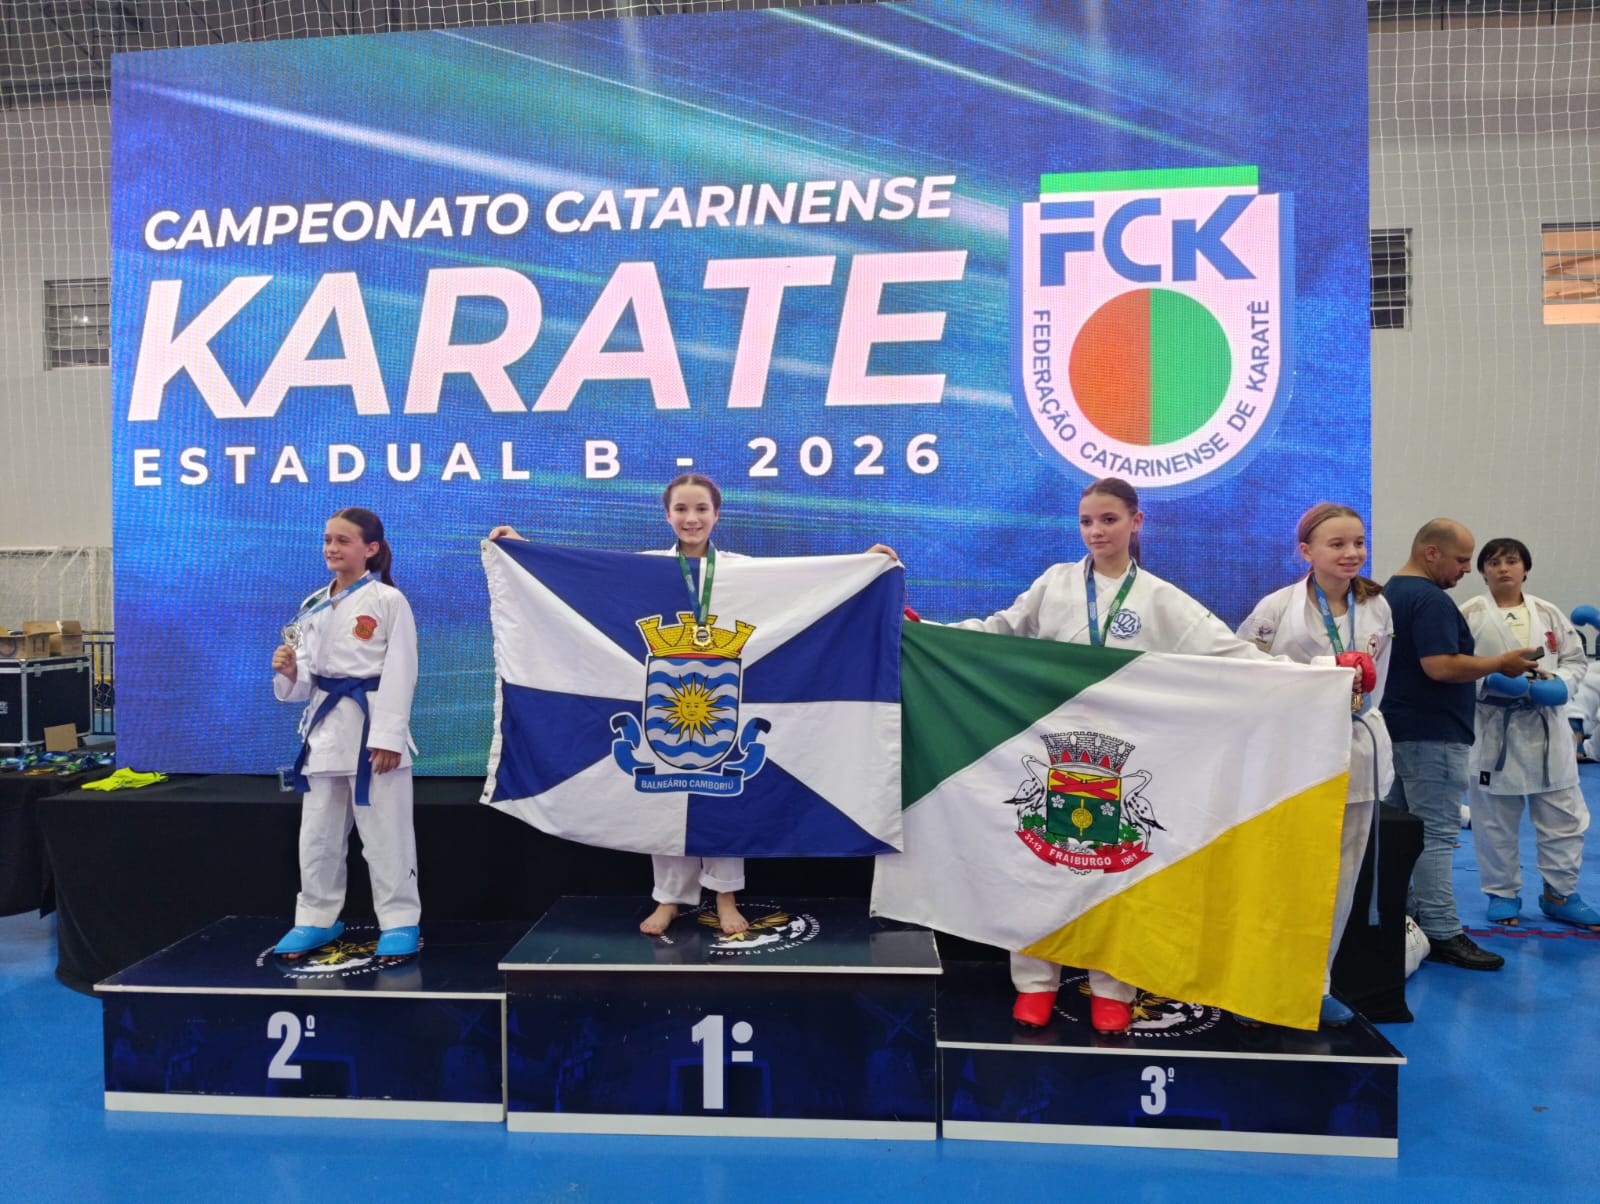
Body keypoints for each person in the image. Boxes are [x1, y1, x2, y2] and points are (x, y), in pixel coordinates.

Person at [947, 477, 1314, 1035]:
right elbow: (998, 630)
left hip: (1125, 760)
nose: (1096, 531)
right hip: (1052, 749)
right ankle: (1036, 983)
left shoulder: (1160, 598)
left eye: (1109, 520)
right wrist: (932, 633)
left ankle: (1113, 988)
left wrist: (1318, 675)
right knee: (1041, 868)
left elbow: (1228, 652)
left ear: (1136, 521)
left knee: (1117, 874)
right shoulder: (1054, 583)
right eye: (1087, 521)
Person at [491, 473, 899, 939]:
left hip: (722, 703)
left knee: (728, 800)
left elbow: (807, 588)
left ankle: (725, 895)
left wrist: (862, 568)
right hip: (664, 702)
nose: (691, 518)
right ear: (667, 515)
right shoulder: (644, 568)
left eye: (701, 509)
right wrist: (523, 552)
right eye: (681, 509)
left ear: (717, 514)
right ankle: (669, 897)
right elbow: (576, 579)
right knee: (660, 802)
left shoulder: (744, 572)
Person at [1237, 503, 1393, 1027]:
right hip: (1292, 759)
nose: (1351, 553)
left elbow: (1379, 683)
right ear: (1306, 551)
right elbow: (1248, 675)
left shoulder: (1378, 608)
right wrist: (1329, 669)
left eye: (1358, 542)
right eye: (1337, 544)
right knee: (1278, 879)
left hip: (1356, 751)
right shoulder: (1276, 608)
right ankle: (1257, 987)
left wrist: (1353, 697)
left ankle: (1313, 986)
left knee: (1338, 884)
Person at [1381, 519, 1540, 971]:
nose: (1467, 569)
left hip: (1398, 729)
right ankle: (1442, 930)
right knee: (1435, 835)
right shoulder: (1430, 599)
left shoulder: (1391, 593)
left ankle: (1404, 916)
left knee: (1401, 832)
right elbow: (1439, 666)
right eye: (1462, 559)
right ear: (1431, 553)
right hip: (1433, 733)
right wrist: (1500, 663)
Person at [271, 507, 421, 967]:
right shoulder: (313, 604)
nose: (331, 548)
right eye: (327, 540)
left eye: (342, 540)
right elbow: (305, 681)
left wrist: (389, 736)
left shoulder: (388, 601)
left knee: (386, 834)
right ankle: (316, 916)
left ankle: (399, 921)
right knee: (317, 835)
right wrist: (291, 672)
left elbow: (402, 670)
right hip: (325, 730)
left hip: (372, 728)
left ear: (370, 549)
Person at [1459, 538, 1597, 930]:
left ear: (1525, 569)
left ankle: (1560, 895)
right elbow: (1453, 667)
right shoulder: (1468, 615)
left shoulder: (1548, 612)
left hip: (1547, 726)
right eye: (1494, 562)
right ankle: (1501, 894)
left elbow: (1575, 660)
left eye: (1512, 561)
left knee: (1564, 817)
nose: (1503, 568)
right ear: (1482, 571)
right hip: (1493, 727)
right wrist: (1488, 682)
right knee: (1493, 821)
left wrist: (1561, 684)